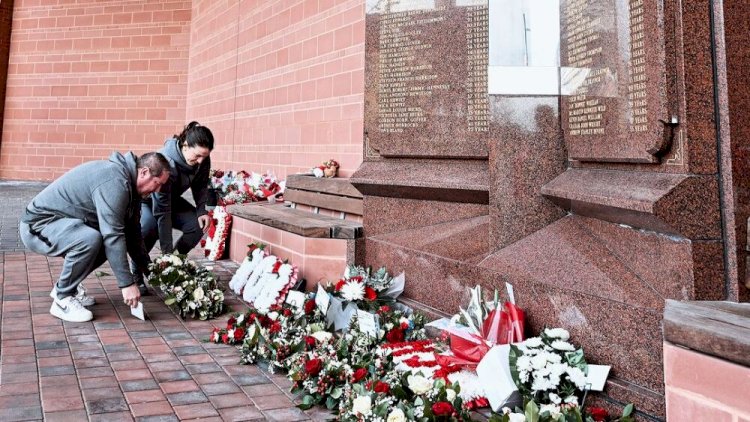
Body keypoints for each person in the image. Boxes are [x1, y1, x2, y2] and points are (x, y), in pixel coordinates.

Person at [20, 152, 171, 322]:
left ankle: (67, 288)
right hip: (38, 226)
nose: (158, 190)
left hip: (63, 224)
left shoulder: (132, 191)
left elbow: (133, 237)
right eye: (157, 183)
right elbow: (113, 235)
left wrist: (156, 275)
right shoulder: (115, 181)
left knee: (101, 242)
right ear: (144, 172)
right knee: (92, 239)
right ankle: (62, 299)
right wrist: (127, 284)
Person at [132, 121, 214, 294]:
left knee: (196, 226)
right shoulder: (167, 163)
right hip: (148, 200)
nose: (200, 161)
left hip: (172, 199)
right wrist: (166, 253)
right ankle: (136, 274)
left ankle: (173, 267)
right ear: (185, 146)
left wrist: (201, 210)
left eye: (204, 157)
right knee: (150, 227)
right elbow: (163, 214)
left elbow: (200, 185)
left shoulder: (202, 158)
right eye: (197, 156)